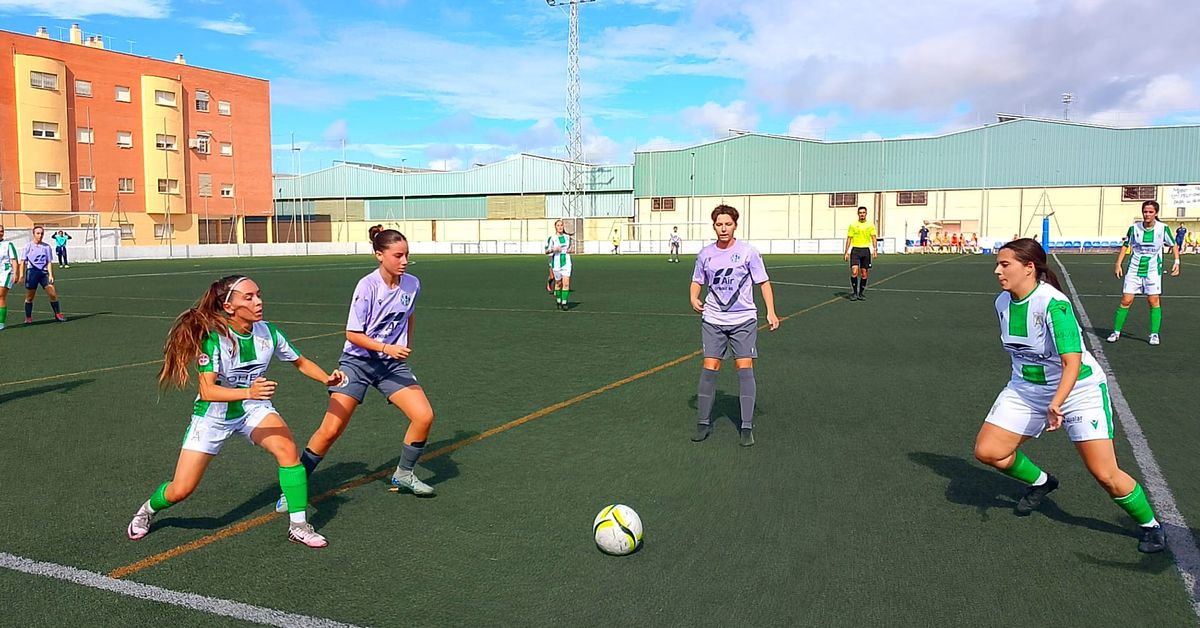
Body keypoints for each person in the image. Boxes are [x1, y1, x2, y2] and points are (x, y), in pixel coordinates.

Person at [974, 238, 1165, 553]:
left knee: (1105, 473)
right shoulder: (1002, 303)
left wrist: (1056, 402)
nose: (997, 270)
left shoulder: (1054, 305)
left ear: (1029, 268)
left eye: (1004, 264)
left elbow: (1071, 362)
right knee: (988, 450)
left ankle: (1151, 526)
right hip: (1026, 388)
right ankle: (1041, 482)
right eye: (998, 264)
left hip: (1077, 391)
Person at [126, 275, 345, 548]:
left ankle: (299, 526)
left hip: (253, 408)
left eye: (259, 294)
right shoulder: (214, 340)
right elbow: (208, 391)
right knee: (180, 489)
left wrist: (326, 378)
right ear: (229, 307)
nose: (259, 301)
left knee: (287, 451)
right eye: (249, 297)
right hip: (213, 416)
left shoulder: (269, 332)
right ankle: (147, 510)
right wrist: (248, 392)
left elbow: (300, 362)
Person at [277, 225, 437, 514]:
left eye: (407, 255)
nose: (404, 261)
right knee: (332, 428)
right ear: (380, 255)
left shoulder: (412, 284)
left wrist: (405, 344)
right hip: (357, 363)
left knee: (424, 416)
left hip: (390, 365)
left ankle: (403, 473)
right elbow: (352, 333)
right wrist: (387, 347)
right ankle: (295, 486)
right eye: (398, 255)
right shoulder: (367, 286)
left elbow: (409, 315)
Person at [690, 204, 780, 447]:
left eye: (727, 224)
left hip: (743, 320)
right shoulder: (705, 254)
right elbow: (697, 280)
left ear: (735, 226)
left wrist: (771, 311)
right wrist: (693, 297)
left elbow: (763, 282)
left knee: (744, 368)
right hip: (713, 319)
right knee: (710, 366)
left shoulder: (749, 252)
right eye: (719, 224)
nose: (723, 228)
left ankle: (746, 426)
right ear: (714, 226)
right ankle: (703, 422)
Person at [1107, 200, 1180, 346]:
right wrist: (1118, 264)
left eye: (1150, 212)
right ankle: (1116, 332)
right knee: (1126, 300)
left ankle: (1154, 334)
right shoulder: (1134, 228)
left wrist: (1177, 262)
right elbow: (1125, 246)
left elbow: (1173, 244)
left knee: (1153, 301)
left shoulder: (1163, 228)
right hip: (1134, 268)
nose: (1147, 214)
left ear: (1156, 213)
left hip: (1153, 270)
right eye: (1145, 211)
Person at [20, 226, 64, 323]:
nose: (40, 235)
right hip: (32, 272)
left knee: (53, 294)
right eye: (38, 233)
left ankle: (58, 314)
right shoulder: (28, 246)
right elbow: (23, 261)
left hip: (43, 273)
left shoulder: (46, 247)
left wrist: (51, 275)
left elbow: (49, 262)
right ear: (33, 234)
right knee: (30, 297)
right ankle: (28, 317)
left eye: (42, 233)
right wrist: (21, 275)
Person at [843, 206, 877, 301]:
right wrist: (846, 252)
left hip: (865, 250)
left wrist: (875, 249)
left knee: (864, 273)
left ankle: (861, 293)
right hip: (855, 250)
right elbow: (849, 238)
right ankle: (854, 293)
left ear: (866, 214)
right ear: (858, 214)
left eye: (863, 212)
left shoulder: (870, 225)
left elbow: (873, 237)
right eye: (860, 213)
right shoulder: (853, 225)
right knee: (854, 272)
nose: (862, 214)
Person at [546, 219, 572, 311]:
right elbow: (546, 251)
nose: (560, 227)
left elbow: (569, 247)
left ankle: (564, 303)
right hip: (556, 261)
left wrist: (569, 251)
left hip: (566, 261)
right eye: (558, 225)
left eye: (561, 225)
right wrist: (553, 249)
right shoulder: (552, 238)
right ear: (555, 227)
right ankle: (558, 299)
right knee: (558, 283)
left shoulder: (567, 237)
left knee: (566, 282)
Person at [0, 225, 19, 330]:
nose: (0, 233)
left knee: (0, 296)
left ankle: (1, 323)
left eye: (2, 231)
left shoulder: (8, 245)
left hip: (5, 273)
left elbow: (14, 260)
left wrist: (16, 273)